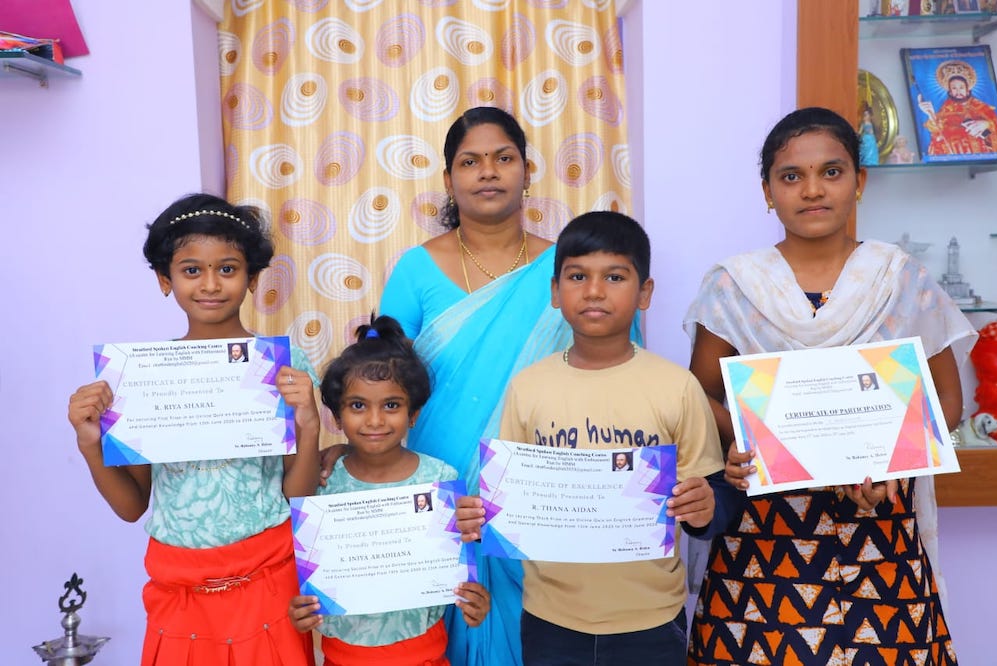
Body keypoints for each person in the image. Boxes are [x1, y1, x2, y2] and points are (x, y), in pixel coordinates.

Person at [685, 107, 976, 665]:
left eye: (832, 172)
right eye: (791, 176)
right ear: (767, 191)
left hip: (879, 526)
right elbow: (700, 395)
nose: (812, 190)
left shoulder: (899, 278)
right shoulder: (734, 285)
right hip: (764, 544)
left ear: (859, 182)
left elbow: (947, 402)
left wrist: (886, 466)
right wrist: (756, 443)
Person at [358, 107, 640, 666]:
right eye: (470, 161)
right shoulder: (416, 269)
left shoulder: (568, 266)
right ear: (448, 179)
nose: (488, 172)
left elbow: (613, 363)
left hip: (548, 488)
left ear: (527, 170)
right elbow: (383, 378)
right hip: (439, 489)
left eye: (503, 158)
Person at [456, 211, 726, 665]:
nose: (595, 291)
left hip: (651, 620)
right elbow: (510, 501)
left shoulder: (676, 387)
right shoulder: (528, 387)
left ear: (645, 293)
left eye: (615, 276)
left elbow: (714, 498)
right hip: (549, 618)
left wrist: (705, 507)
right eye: (577, 276)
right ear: (555, 292)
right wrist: (481, 514)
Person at [67, 193, 320, 666]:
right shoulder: (142, 377)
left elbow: (298, 493)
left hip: (268, 578)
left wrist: (308, 427)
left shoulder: (283, 368)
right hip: (179, 586)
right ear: (165, 280)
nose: (211, 284)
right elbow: (131, 506)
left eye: (227, 269)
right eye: (190, 270)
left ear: (252, 279)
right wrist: (89, 444)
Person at [289, 315, 490, 666]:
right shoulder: (323, 482)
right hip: (342, 658)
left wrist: (475, 601)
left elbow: (459, 573)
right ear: (336, 417)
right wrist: (300, 609)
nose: (375, 420)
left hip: (425, 656)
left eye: (391, 405)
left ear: (413, 414)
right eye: (357, 406)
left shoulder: (440, 479)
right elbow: (306, 583)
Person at [918, 62, 997, 156]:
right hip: (959, 154)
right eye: (954, 88)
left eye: (961, 88)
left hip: (984, 155)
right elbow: (937, 133)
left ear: (967, 90)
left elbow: (996, 125)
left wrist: (987, 124)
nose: (958, 92)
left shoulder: (982, 107)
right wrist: (931, 114)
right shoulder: (945, 110)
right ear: (950, 92)